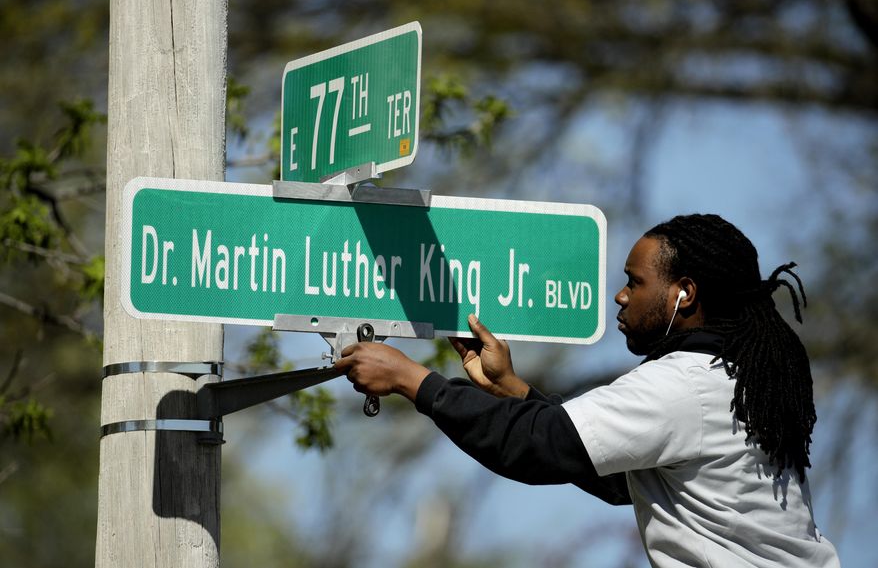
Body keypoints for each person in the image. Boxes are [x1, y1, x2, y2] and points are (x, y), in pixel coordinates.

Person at [334, 213, 841, 567]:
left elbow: (535, 447)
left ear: (684, 292)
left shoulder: (684, 384)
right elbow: (624, 480)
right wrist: (514, 390)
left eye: (634, 282)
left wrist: (413, 380)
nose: (619, 296)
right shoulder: (731, 380)